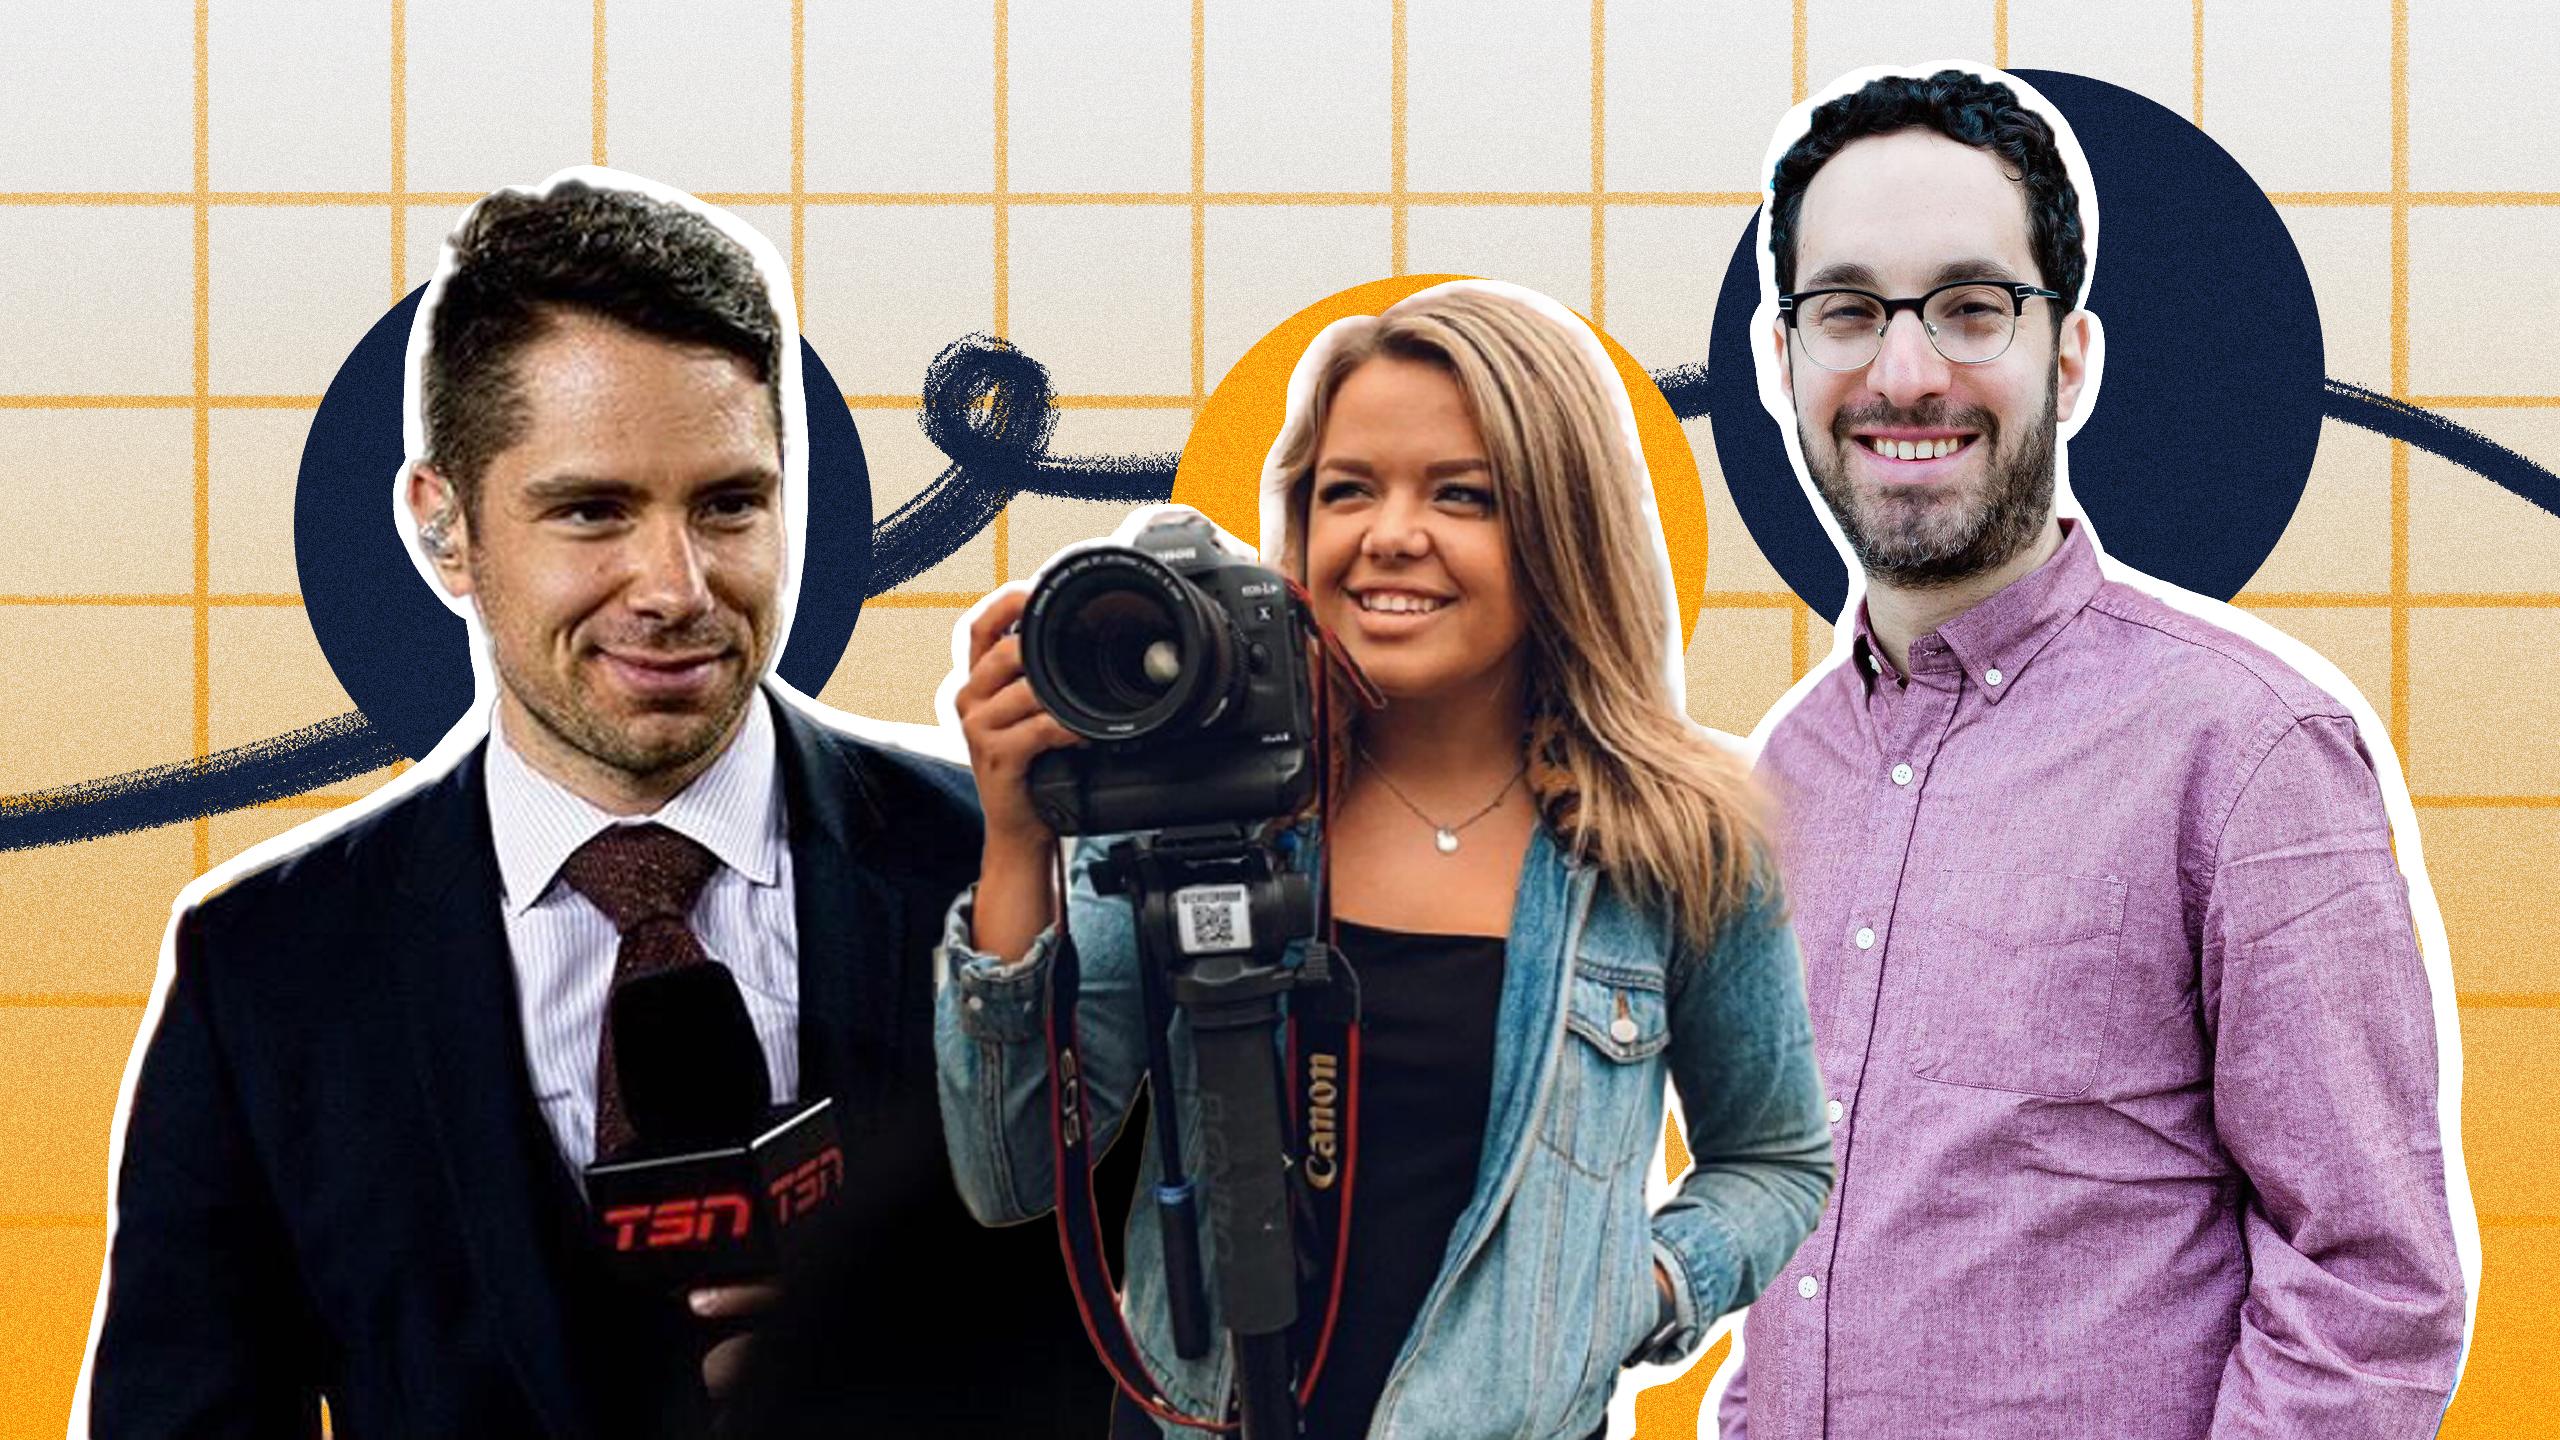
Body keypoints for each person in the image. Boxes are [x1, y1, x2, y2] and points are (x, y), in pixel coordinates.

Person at [79, 174, 1108, 1438]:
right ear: (443, 528)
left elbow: (1174, 1358)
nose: (675, 586)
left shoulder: (1016, 867)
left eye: (730, 503)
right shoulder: (270, 972)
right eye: (592, 512)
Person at [937, 281, 1835, 1439]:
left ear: (1562, 529)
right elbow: (1014, 1173)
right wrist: (1018, 840)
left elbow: (1774, 1159)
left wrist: (1639, 1292)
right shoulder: (1189, 799)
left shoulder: (1676, 837)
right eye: (1345, 489)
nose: (1388, 533)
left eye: (1462, 494)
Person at [1717, 68, 2470, 1439]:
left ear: (2069, 357)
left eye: (1970, 306)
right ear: (1783, 365)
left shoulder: (2247, 749)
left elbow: (2370, 1293)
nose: (1904, 371)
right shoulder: (1783, 774)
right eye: (1847, 311)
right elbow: (1799, 1235)